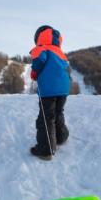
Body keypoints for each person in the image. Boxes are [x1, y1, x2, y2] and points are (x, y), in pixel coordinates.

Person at [29, 25, 70, 160]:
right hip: (63, 87)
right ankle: (61, 137)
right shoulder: (59, 52)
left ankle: (45, 150)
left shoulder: (42, 49)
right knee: (58, 112)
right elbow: (65, 66)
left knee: (46, 118)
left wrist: (34, 73)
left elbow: (39, 62)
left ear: (39, 37)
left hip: (49, 88)